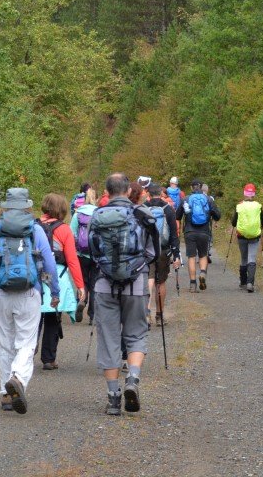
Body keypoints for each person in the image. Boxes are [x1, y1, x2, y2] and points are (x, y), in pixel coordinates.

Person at [0, 188, 59, 414]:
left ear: (6, 206)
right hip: (29, 292)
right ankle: (17, 377)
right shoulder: (36, 229)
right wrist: (55, 292)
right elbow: (49, 263)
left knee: (4, 343)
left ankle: (6, 395)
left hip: (0, 293)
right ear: (27, 205)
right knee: (26, 342)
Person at [89, 173, 159, 416]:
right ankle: (133, 380)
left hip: (104, 285)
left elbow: (91, 251)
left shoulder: (97, 216)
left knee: (108, 338)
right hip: (136, 284)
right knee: (137, 333)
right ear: (129, 191)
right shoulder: (142, 215)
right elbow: (153, 253)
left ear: (107, 193)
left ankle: (113, 398)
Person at [37, 193, 86, 369]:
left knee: (34, 317)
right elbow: (72, 260)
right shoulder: (64, 230)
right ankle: (49, 359)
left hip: (36, 276)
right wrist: (80, 285)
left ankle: (27, 353)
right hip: (56, 277)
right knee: (52, 317)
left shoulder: (34, 226)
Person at [146, 182, 180, 325]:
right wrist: (176, 254)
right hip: (163, 249)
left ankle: (146, 314)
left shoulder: (143, 209)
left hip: (147, 250)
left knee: (149, 280)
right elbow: (174, 234)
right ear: (161, 194)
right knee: (161, 282)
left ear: (148, 194)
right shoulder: (168, 209)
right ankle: (159, 316)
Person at [180, 179, 220, 292]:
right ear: (201, 187)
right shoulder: (208, 199)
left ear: (191, 188)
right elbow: (217, 216)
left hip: (189, 232)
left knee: (191, 257)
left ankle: (193, 284)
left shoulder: (186, 199)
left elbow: (177, 216)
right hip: (204, 232)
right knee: (203, 255)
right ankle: (202, 273)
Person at [232, 183, 263, 292]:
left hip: (241, 235)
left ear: (244, 193)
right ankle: (250, 283)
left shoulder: (239, 206)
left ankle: (243, 282)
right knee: (252, 258)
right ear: (254, 194)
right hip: (255, 236)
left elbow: (233, 222)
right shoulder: (258, 206)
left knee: (243, 258)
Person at [71, 193, 99, 323]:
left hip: (81, 254)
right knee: (94, 284)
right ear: (96, 200)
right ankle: (92, 315)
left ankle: (82, 301)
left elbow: (72, 233)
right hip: (95, 254)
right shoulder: (99, 213)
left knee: (83, 282)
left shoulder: (77, 214)